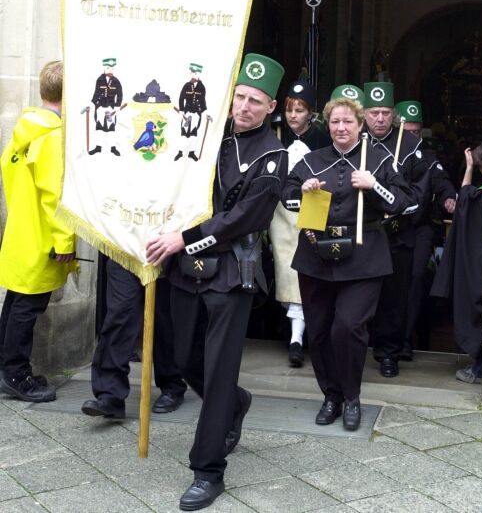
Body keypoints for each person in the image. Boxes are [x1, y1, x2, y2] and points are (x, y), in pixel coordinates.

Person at [145, 53, 287, 512]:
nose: (244, 107)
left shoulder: (274, 155)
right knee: (184, 359)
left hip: (232, 272)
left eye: (255, 101)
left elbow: (241, 218)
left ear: (272, 107)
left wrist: (183, 237)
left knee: (219, 370)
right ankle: (233, 404)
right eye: (240, 97)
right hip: (187, 267)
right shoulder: (209, 140)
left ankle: (208, 471)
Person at [282, 95, 418, 432]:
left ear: (360, 125)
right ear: (327, 126)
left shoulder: (378, 159)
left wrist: (373, 186)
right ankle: (331, 396)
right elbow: (286, 195)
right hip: (315, 254)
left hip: (364, 257)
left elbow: (403, 202)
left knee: (348, 326)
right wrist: (305, 189)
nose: (341, 128)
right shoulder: (313, 161)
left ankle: (352, 397)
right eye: (335, 122)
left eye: (348, 122)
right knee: (319, 330)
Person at [0, 60, 78, 402]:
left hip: (21, 232)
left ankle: (5, 368)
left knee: (15, 302)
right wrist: (65, 241)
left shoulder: (26, 126)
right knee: (26, 308)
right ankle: (16, 374)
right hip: (43, 238)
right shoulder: (53, 136)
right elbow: (54, 196)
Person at [362, 82, 430, 378]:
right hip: (362, 233)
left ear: (394, 115)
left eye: (385, 113)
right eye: (374, 112)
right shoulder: (353, 140)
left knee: (393, 297)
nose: (380, 118)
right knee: (359, 296)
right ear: (364, 114)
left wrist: (401, 207)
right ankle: (354, 350)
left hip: (397, 234)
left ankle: (388, 353)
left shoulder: (411, 145)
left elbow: (420, 192)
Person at [269, 78, 330, 367]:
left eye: (300, 110)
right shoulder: (274, 135)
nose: (294, 115)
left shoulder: (321, 138)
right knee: (286, 267)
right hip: (282, 209)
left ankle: (306, 334)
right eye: (290, 109)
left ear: (310, 113)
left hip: (313, 205)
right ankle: (294, 336)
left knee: (309, 266)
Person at [81, 264, 187, 419]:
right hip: (124, 251)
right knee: (119, 316)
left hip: (165, 254)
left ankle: (172, 384)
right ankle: (111, 394)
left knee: (164, 320)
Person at [394, 101, 457, 361]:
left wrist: (449, 198)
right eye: (406, 131)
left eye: (416, 132)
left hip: (419, 229)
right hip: (388, 230)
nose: (411, 137)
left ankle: (406, 340)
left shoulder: (428, 160)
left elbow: (442, 183)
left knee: (416, 278)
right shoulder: (383, 155)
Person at [431, 142, 482, 384]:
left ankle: (480, 369)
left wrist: (468, 168)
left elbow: (463, 201)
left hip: (478, 267)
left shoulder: (479, 197)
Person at [89, 57, 123, 156]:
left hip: (109, 110)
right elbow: (96, 93)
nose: (110, 70)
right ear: (104, 68)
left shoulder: (116, 81)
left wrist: (117, 106)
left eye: (112, 68)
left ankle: (113, 148)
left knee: (111, 128)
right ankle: (98, 147)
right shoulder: (99, 80)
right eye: (108, 67)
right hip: (100, 108)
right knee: (99, 127)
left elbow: (120, 95)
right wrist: (92, 103)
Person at [175, 62, 209, 162]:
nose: (193, 75)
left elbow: (203, 100)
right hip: (187, 113)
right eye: (192, 73)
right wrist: (181, 110)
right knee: (184, 132)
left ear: (199, 74)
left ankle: (191, 153)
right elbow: (181, 98)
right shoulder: (186, 85)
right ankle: (180, 152)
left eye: (195, 73)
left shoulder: (202, 87)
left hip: (196, 114)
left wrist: (205, 112)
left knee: (194, 133)